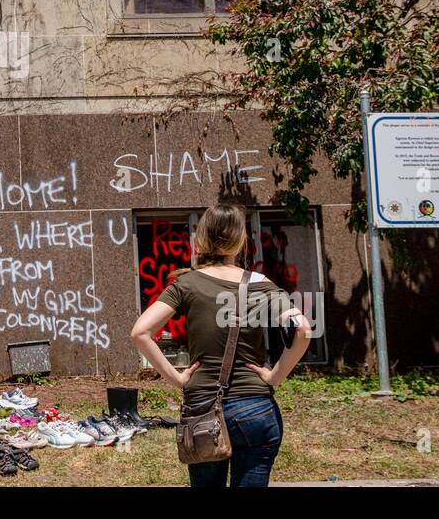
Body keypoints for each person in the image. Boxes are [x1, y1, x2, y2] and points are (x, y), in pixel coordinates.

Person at [130, 204, 311, 487]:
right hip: (256, 408)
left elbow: (140, 332)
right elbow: (302, 330)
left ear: (200, 239)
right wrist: (276, 375)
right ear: (240, 241)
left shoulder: (186, 284)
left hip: (203, 409)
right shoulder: (260, 284)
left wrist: (176, 378)